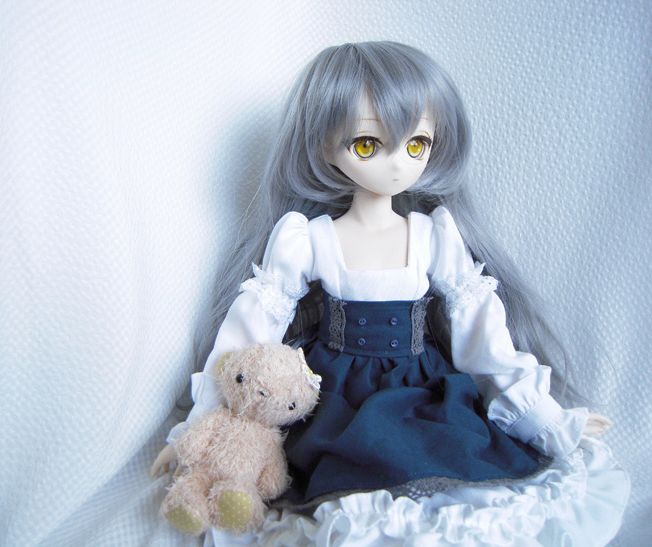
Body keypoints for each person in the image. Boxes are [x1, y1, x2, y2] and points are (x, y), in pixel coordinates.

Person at [152, 41, 627, 544]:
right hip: (336, 400)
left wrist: (542, 416)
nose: (398, 164)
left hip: (425, 393)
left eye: (417, 144)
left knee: (453, 480)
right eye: (367, 145)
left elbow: (483, 339)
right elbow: (250, 335)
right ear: (322, 146)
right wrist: (198, 430)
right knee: (346, 499)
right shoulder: (308, 239)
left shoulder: (433, 235)